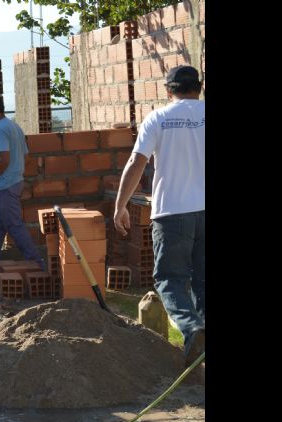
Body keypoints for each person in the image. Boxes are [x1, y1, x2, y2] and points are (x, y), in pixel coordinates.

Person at [113, 65, 205, 366]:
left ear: (168, 90)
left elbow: (136, 162)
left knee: (170, 278)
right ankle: (200, 342)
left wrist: (121, 205)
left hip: (172, 213)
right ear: (199, 87)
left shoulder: (159, 118)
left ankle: (192, 330)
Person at [0, 94, 46, 270]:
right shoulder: (15, 126)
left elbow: (4, 160)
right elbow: (26, 156)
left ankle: (38, 263)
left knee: (14, 225)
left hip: (6, 185)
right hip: (11, 183)